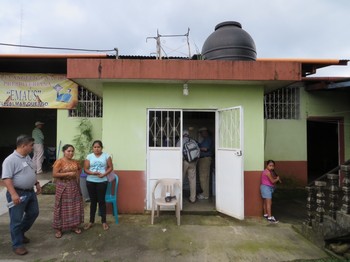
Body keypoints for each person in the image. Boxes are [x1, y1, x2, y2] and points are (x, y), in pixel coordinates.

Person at [1, 135, 41, 256]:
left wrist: (37, 183)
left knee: (34, 213)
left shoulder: (27, 157)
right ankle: (17, 245)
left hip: (30, 192)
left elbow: (30, 171)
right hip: (18, 193)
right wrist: (13, 194)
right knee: (16, 220)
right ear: (23, 146)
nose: (32, 148)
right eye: (31, 145)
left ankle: (20, 233)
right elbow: (6, 178)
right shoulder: (10, 160)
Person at [52, 144, 84, 238]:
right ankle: (59, 229)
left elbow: (79, 170)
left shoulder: (75, 162)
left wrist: (76, 178)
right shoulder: (59, 162)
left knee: (74, 206)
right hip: (63, 187)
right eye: (68, 151)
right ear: (64, 152)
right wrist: (68, 173)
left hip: (74, 186)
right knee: (61, 207)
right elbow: (54, 174)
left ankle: (74, 226)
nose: (71, 153)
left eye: (72, 151)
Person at [84, 140, 113, 231]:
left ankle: (104, 222)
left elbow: (111, 167)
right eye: (95, 147)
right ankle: (91, 221)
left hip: (102, 181)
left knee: (101, 201)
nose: (96, 149)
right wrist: (92, 173)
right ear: (93, 148)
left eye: (98, 147)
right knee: (93, 202)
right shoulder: (89, 156)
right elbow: (85, 169)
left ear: (101, 148)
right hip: (90, 181)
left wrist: (104, 175)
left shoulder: (106, 156)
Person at [176, 130, 199, 203]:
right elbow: (198, 152)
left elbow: (177, 153)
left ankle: (178, 198)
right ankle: (193, 198)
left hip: (184, 162)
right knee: (192, 180)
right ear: (188, 135)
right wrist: (195, 162)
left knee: (180, 179)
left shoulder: (180, 141)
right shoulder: (193, 141)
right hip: (192, 162)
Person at [197, 127, 213, 200]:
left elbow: (205, 149)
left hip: (205, 159)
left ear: (205, 132)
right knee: (204, 177)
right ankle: (205, 193)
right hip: (204, 159)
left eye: (201, 132)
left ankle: (205, 194)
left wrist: (196, 147)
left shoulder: (207, 139)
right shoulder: (206, 139)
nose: (201, 134)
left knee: (204, 177)